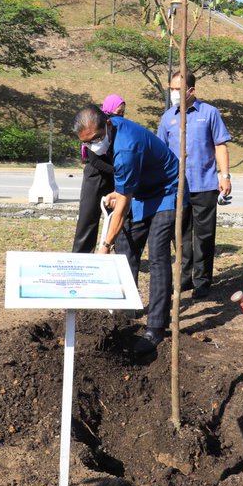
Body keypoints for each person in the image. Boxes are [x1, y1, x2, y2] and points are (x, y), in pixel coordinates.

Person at [73, 104, 179, 355]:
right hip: (142, 191)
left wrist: (104, 246)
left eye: (97, 138)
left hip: (167, 191)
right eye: (88, 142)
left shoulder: (126, 147)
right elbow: (125, 191)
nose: (95, 144)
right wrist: (120, 192)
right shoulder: (111, 134)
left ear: (108, 124)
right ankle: (124, 312)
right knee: (126, 250)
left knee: (157, 256)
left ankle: (156, 327)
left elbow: (120, 209)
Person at [157, 71, 232, 299]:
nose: (174, 93)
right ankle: (184, 277)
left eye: (178, 89)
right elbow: (160, 151)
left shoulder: (209, 113)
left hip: (205, 184)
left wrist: (225, 175)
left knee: (204, 235)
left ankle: (202, 280)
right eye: (171, 89)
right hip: (177, 187)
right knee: (180, 235)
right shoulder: (168, 117)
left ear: (191, 90)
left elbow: (220, 145)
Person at [71, 94, 125, 253]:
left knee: (118, 217)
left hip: (113, 179)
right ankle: (81, 256)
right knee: (88, 219)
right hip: (95, 178)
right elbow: (95, 161)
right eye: (118, 111)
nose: (120, 115)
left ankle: (117, 252)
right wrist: (117, 170)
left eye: (122, 112)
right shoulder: (95, 128)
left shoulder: (116, 129)